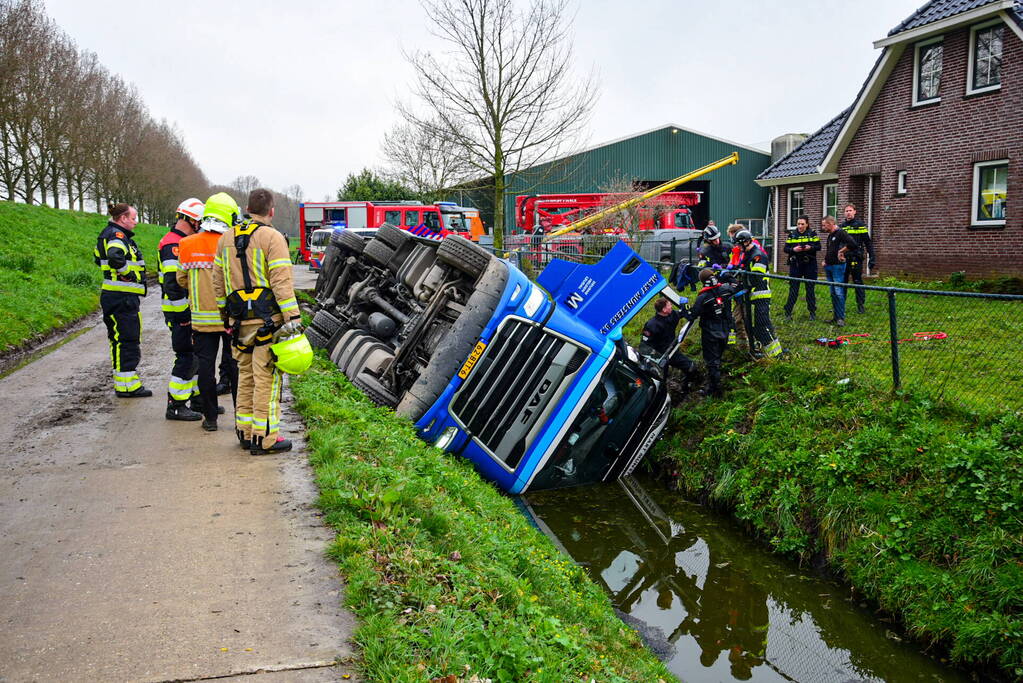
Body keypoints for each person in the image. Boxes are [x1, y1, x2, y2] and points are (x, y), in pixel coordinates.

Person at [214, 188, 301, 455]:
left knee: (246, 378)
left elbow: (218, 281)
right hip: (268, 322)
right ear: (271, 211)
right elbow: (281, 282)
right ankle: (265, 439)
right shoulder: (273, 238)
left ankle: (245, 432)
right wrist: (293, 319)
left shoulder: (226, 238)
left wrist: (225, 316)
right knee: (268, 380)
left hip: (239, 322)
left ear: (247, 208)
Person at [177, 193, 239, 431]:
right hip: (229, 318)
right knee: (234, 366)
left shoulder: (187, 244)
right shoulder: (231, 244)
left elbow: (181, 279)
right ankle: (238, 418)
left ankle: (210, 419)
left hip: (201, 320)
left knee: (205, 367)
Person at [94, 203, 151, 397]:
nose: (136, 222)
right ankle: (127, 386)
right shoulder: (117, 236)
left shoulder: (107, 234)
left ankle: (125, 382)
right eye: (133, 218)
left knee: (119, 340)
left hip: (117, 296)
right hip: (122, 297)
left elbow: (98, 258)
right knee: (127, 340)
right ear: (123, 218)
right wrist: (129, 274)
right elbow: (115, 257)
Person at [159, 198, 205, 420]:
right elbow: (173, 284)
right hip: (180, 312)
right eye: (199, 222)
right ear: (190, 220)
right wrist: (184, 313)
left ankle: (196, 400)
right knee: (187, 356)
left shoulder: (180, 242)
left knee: (195, 355)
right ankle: (176, 405)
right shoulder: (172, 245)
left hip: (184, 311)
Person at [684, 269, 740, 397]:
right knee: (718, 358)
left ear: (702, 281)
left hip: (710, 333)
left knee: (711, 362)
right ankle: (716, 381)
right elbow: (736, 286)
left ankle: (715, 390)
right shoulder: (725, 289)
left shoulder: (702, 297)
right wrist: (728, 276)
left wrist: (684, 309)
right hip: (725, 330)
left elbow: (692, 315)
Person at [734, 229, 781, 358]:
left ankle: (777, 354)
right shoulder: (747, 254)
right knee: (750, 324)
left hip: (761, 294)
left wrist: (743, 281)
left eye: (739, 244)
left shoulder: (759, 255)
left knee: (763, 324)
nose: (738, 247)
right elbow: (741, 269)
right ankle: (757, 350)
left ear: (747, 242)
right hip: (750, 295)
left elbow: (756, 276)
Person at [640, 298, 699, 391]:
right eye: (669, 305)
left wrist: (685, 307)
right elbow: (644, 346)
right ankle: (672, 391)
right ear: (664, 310)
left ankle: (683, 387)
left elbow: (682, 313)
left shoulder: (672, 315)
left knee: (688, 368)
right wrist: (656, 359)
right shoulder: (652, 325)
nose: (671, 306)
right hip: (661, 355)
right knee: (661, 379)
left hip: (673, 350)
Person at [820, 215, 858, 327]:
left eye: (824, 225)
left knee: (839, 292)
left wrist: (842, 251)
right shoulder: (830, 235)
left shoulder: (841, 233)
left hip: (838, 267)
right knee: (833, 293)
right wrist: (825, 261)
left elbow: (853, 244)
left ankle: (841, 318)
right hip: (829, 266)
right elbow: (831, 250)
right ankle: (835, 316)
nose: (823, 227)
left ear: (830, 223)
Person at [782, 215, 820, 322]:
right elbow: (785, 249)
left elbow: (819, 246)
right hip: (796, 265)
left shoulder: (812, 234)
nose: (800, 226)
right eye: (798, 224)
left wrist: (810, 247)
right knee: (793, 290)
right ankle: (788, 313)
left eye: (802, 224)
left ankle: (812, 312)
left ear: (807, 224)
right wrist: (794, 249)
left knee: (810, 290)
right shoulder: (792, 235)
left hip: (810, 265)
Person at [840, 203, 875, 313]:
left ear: (855, 211)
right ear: (844, 213)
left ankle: (860, 305)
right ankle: (841, 305)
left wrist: (872, 257)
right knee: (843, 282)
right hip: (845, 258)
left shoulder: (860, 225)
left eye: (850, 210)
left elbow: (868, 242)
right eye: (846, 211)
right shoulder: (842, 226)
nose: (848, 213)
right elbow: (839, 243)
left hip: (856, 258)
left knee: (857, 281)